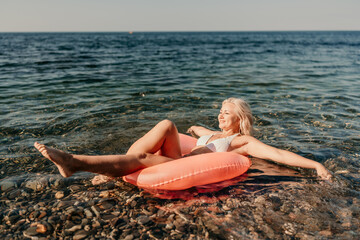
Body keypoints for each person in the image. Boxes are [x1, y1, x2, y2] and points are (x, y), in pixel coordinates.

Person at [34, 98, 332, 184]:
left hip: (181, 165)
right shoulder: (212, 133)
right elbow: (195, 128)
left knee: (143, 159)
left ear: (239, 120)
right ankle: (109, 171)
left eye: (226, 113)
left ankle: (73, 163)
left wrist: (315, 165)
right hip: (181, 156)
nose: (219, 116)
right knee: (167, 124)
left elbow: (278, 152)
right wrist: (199, 130)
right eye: (219, 111)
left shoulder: (242, 142)